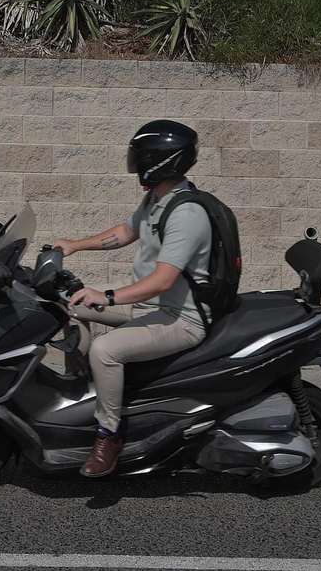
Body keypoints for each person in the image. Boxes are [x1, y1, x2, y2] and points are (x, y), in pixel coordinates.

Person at [51, 119, 211, 478]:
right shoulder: (158, 199)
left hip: (181, 320)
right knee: (72, 305)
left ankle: (109, 435)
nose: (134, 161)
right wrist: (75, 245)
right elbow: (125, 232)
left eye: (139, 155)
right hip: (152, 309)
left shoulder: (187, 213)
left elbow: (162, 281)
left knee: (104, 350)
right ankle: (86, 390)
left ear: (159, 160)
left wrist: (106, 297)